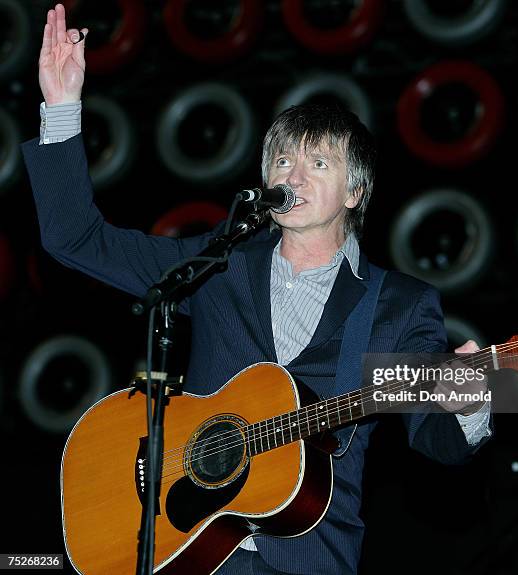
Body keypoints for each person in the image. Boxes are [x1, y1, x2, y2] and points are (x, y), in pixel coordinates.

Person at [22, 5, 491, 574]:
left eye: (318, 161)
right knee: (24, 564)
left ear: (354, 193)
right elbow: (78, 238)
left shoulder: (397, 305)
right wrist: (62, 107)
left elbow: (438, 440)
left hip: (307, 557)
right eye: (283, 160)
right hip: (188, 547)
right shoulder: (220, 264)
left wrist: (468, 406)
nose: (293, 175)